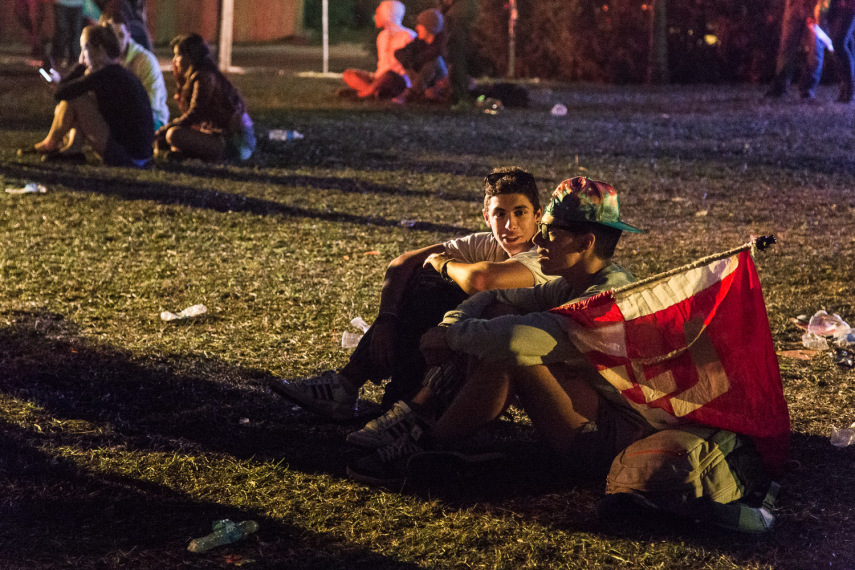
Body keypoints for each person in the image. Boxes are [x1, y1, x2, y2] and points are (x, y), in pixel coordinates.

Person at [345, 177, 654, 487]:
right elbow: (492, 297)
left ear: (585, 242)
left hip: (615, 442)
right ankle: (444, 428)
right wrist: (450, 326)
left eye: (550, 232)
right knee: (500, 316)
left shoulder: (604, 298)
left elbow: (513, 339)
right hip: (594, 411)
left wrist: (452, 338)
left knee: (509, 351)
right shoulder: (572, 283)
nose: (538, 240)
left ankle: (427, 442)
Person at [272, 167, 557, 417]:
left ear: (538, 215)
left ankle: (374, 393)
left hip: (531, 364)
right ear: (486, 217)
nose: (510, 225)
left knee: (440, 284)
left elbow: (481, 280)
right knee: (423, 277)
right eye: (500, 214)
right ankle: (367, 391)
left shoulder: (546, 253)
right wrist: (386, 319)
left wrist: (443, 264)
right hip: (479, 347)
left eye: (520, 213)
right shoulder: (489, 244)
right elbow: (403, 263)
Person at [19, 24, 153, 167]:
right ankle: (71, 150)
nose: (82, 55)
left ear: (100, 50)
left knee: (77, 98)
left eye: (85, 48)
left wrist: (81, 67)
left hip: (128, 157)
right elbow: (67, 89)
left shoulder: (107, 74)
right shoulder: (116, 72)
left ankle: (50, 144)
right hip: (136, 154)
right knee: (78, 100)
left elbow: (62, 93)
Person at [155, 33, 256, 162]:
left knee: (173, 135)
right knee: (173, 136)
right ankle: (186, 154)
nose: (174, 60)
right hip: (219, 136)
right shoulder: (197, 76)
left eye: (178, 55)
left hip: (236, 142)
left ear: (190, 56)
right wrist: (180, 82)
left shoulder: (204, 77)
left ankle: (195, 155)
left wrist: (164, 130)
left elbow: (194, 114)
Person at [340, 0, 415, 100]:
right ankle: (374, 92)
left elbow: (409, 68)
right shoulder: (382, 37)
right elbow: (382, 64)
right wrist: (375, 78)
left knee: (388, 76)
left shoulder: (408, 36)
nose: (375, 17)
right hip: (380, 79)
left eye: (378, 13)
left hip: (397, 80)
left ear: (387, 14)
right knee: (349, 74)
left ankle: (361, 94)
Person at [103, 14, 168, 129]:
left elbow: (150, 105)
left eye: (121, 36)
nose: (117, 41)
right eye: (113, 36)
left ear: (129, 35)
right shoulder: (106, 59)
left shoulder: (144, 61)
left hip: (151, 120)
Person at [766, 0, 825, 99]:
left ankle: (807, 88)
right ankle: (781, 86)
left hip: (815, 4)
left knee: (815, 48)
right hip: (795, 4)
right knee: (787, 46)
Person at [393, 8, 450, 103]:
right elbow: (398, 52)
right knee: (407, 61)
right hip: (422, 80)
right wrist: (408, 60)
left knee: (435, 60)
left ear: (429, 27)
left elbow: (431, 56)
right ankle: (420, 93)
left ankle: (412, 93)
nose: (417, 28)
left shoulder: (442, 44)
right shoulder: (419, 42)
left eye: (420, 25)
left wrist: (414, 60)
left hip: (439, 81)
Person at [440, 0, 478, 108]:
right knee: (456, 54)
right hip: (459, 8)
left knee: (456, 54)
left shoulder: (458, 12)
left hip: (459, 9)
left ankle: (461, 97)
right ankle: (460, 96)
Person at [828, 0, 855, 102]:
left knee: (839, 43)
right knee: (845, 44)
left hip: (850, 6)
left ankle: (849, 89)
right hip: (838, 6)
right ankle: (846, 89)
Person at [51, 0, 84, 67]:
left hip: (77, 4)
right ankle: (59, 58)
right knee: (61, 31)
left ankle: (73, 59)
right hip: (62, 3)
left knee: (75, 32)